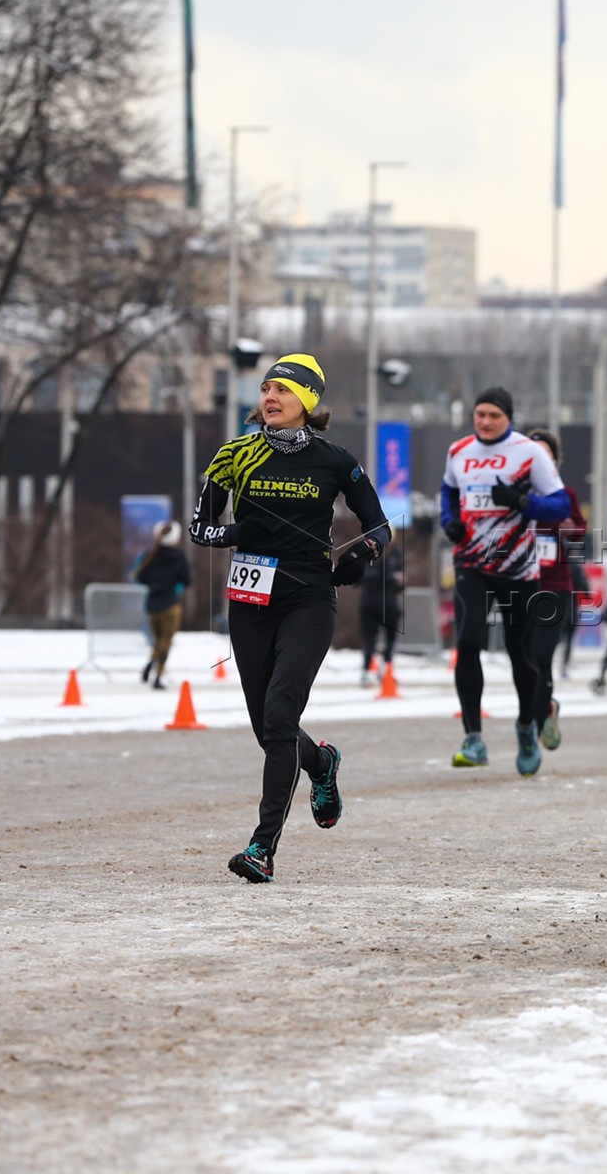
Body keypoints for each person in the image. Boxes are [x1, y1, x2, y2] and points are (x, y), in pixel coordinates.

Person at [188, 354, 391, 883]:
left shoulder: (335, 459)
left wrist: (362, 554)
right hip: (251, 602)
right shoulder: (235, 454)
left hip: (308, 600)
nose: (270, 398)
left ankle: (262, 847)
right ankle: (321, 764)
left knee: (280, 715)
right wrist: (237, 535)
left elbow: (381, 526)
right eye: (266, 388)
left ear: (308, 402)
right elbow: (199, 528)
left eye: (283, 390)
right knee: (269, 728)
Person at [439, 388, 572, 775]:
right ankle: (473, 738)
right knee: (468, 640)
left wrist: (521, 501)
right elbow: (448, 491)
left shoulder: (528, 453)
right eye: (479, 414)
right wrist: (450, 521)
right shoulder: (458, 451)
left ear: (508, 418)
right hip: (471, 563)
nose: (485, 421)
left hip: (517, 568)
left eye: (493, 415)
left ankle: (527, 727)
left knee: (522, 655)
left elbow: (560, 504)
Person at [524, 428, 587, 751]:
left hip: (554, 587)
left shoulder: (565, 495)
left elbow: (579, 531)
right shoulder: (514, 495)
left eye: (545, 454)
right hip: (519, 587)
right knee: (523, 660)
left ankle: (534, 731)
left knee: (540, 658)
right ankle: (545, 707)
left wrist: (569, 528)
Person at [133, 520, 190, 690]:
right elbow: (187, 579)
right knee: (165, 642)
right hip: (170, 604)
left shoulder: (149, 556)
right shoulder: (178, 557)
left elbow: (140, 577)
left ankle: (150, 665)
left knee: (159, 641)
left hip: (152, 605)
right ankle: (158, 675)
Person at [357, 546, 405, 687]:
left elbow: (355, 580)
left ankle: (370, 672)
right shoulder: (390, 555)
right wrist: (398, 581)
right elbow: (396, 582)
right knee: (385, 639)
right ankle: (381, 670)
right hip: (385, 602)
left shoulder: (365, 552)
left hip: (370, 602)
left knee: (370, 640)